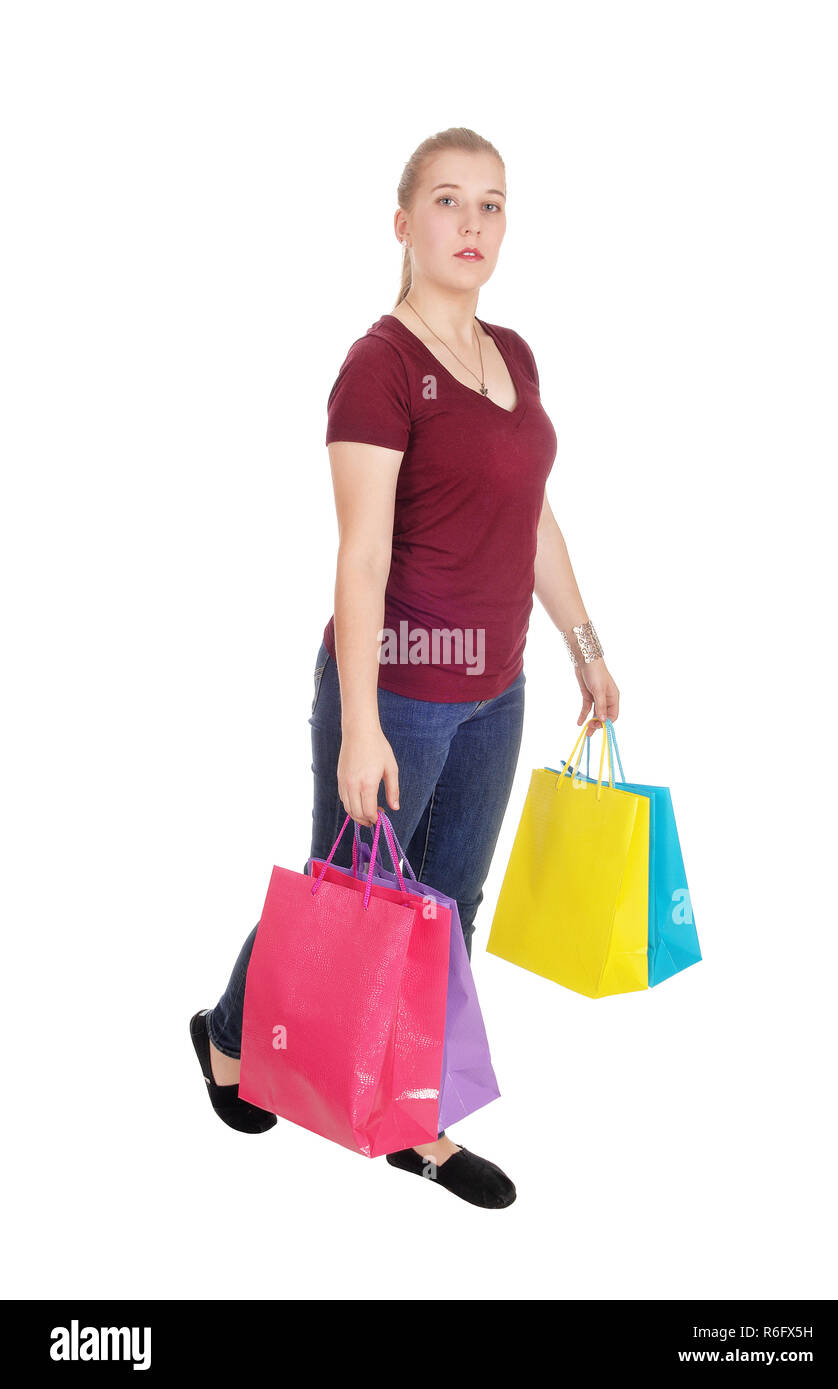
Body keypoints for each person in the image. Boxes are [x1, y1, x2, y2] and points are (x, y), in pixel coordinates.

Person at [190, 125, 620, 1210]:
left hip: (495, 690)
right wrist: (363, 721)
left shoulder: (513, 355)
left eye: (490, 204)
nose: (471, 224)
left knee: (446, 904)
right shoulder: (377, 367)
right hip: (397, 691)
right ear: (402, 223)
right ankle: (228, 1035)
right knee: (347, 893)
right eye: (446, 201)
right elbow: (362, 555)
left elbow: (532, 522)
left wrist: (585, 648)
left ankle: (414, 1120)